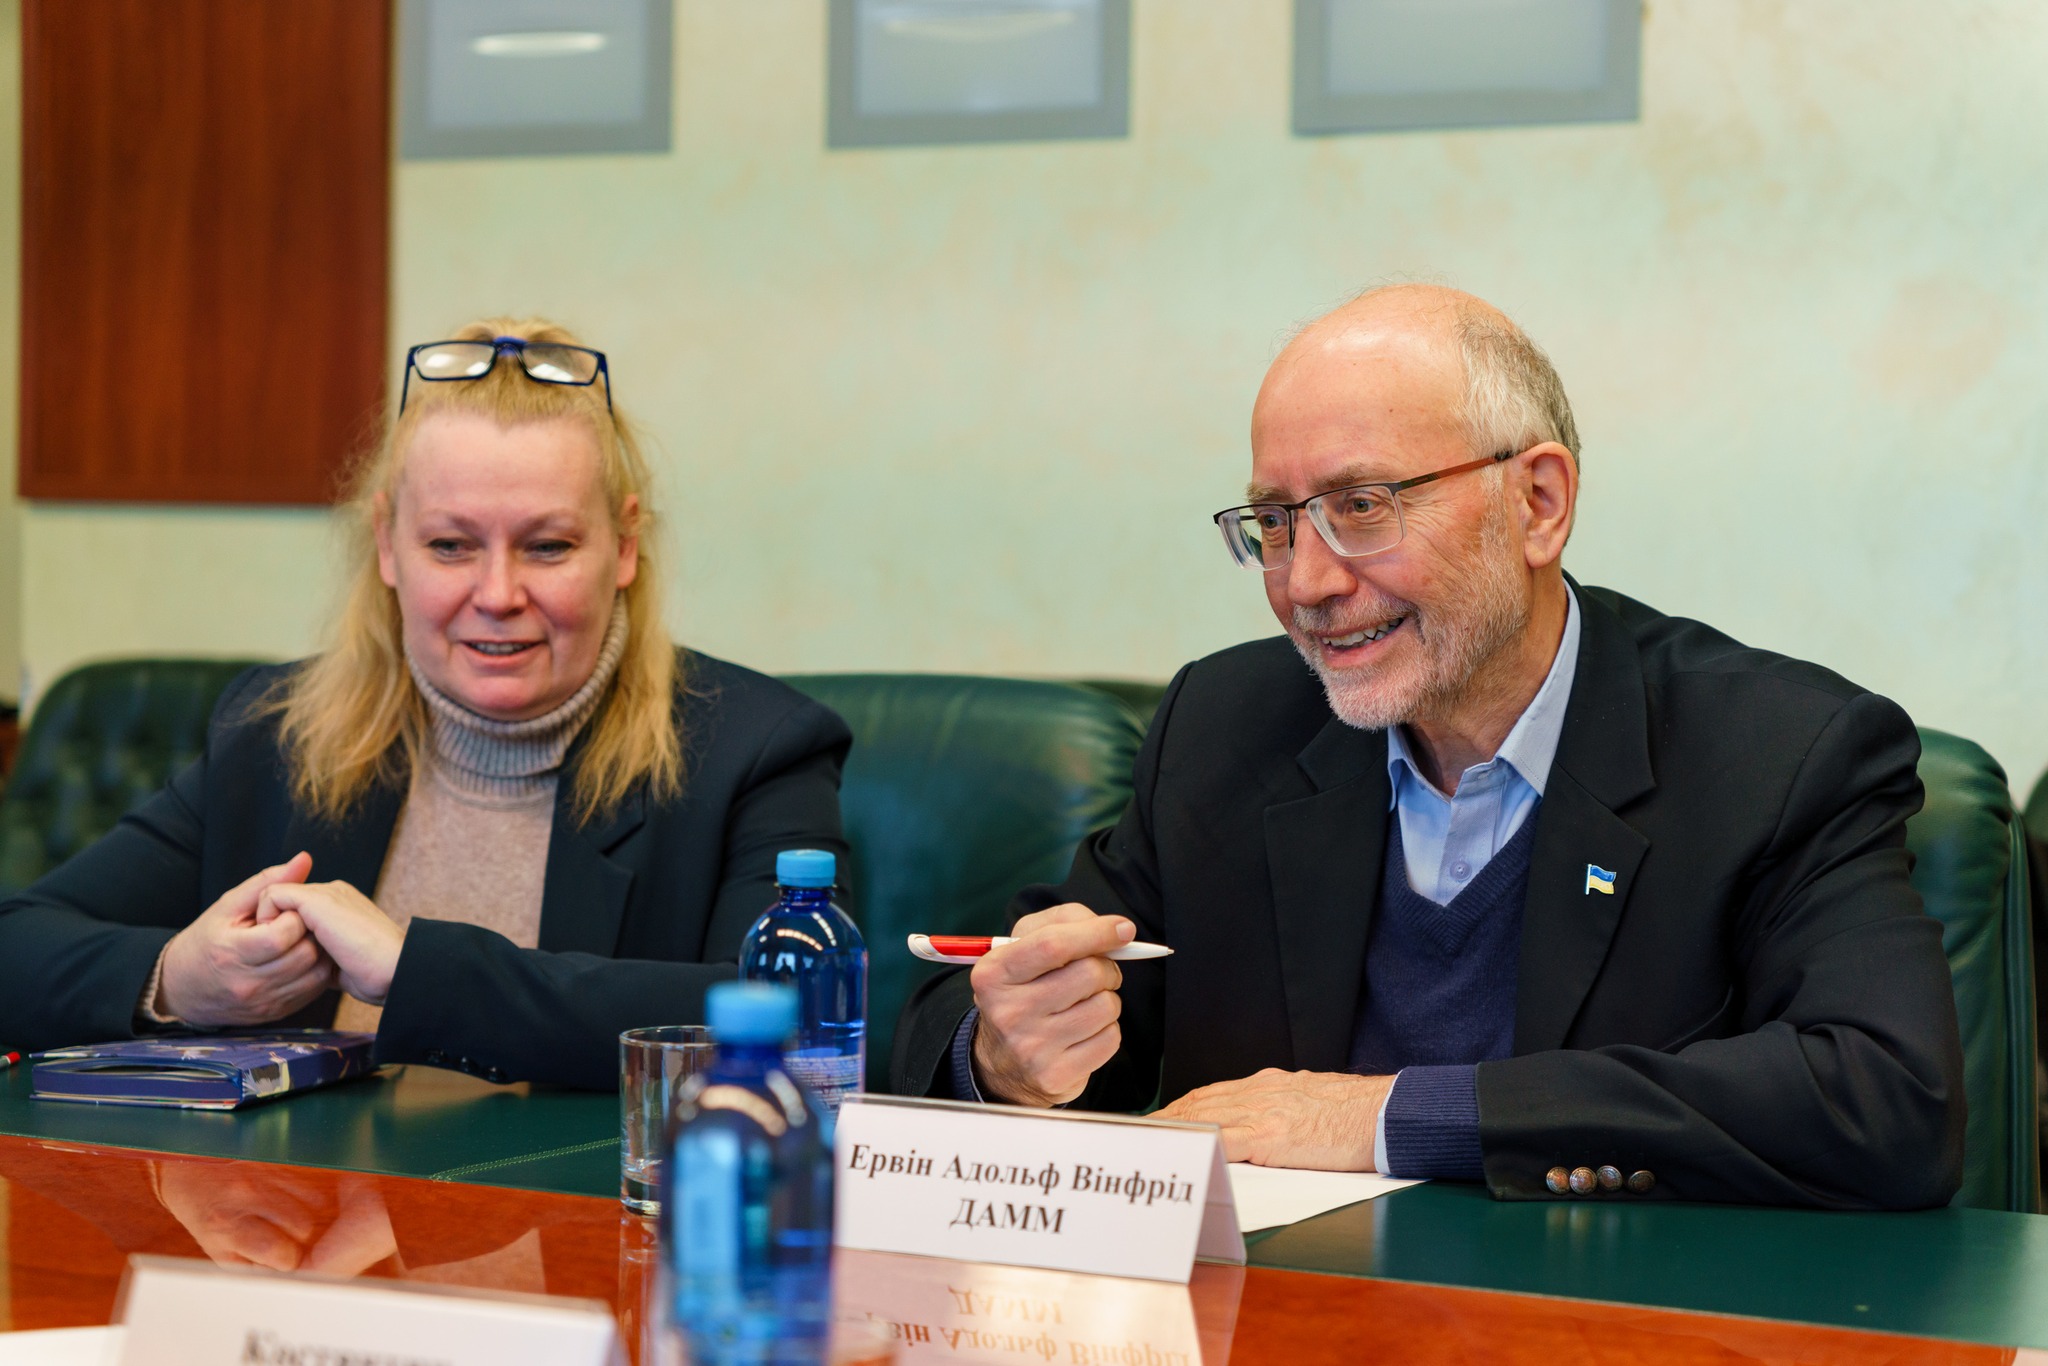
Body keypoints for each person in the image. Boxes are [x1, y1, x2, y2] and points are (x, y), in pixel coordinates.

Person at [894, 284, 1966, 1208]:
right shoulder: (1227, 727)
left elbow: (1887, 1099)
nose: (1307, 582)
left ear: (1537, 503)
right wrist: (1007, 1052)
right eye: (1275, 522)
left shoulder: (1778, 753)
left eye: (1362, 506)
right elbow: (977, 1010)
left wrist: (1390, 1118)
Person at [0, 319, 851, 1089]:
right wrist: (174, 981)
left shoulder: (756, 749)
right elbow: (18, 941)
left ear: (624, 546)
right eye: (450, 545)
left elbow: (797, 1020)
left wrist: (416, 972)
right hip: (297, 1204)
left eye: (548, 546)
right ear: (387, 544)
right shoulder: (275, 730)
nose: (498, 594)